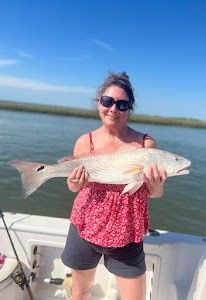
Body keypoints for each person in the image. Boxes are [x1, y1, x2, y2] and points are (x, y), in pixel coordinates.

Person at [61, 72, 167, 300]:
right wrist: (73, 182)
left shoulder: (145, 144)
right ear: (99, 103)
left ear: (129, 108)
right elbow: (75, 188)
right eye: (107, 102)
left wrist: (156, 184)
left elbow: (155, 194)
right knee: (80, 293)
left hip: (127, 233)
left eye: (122, 104)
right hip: (85, 227)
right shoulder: (84, 141)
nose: (113, 109)